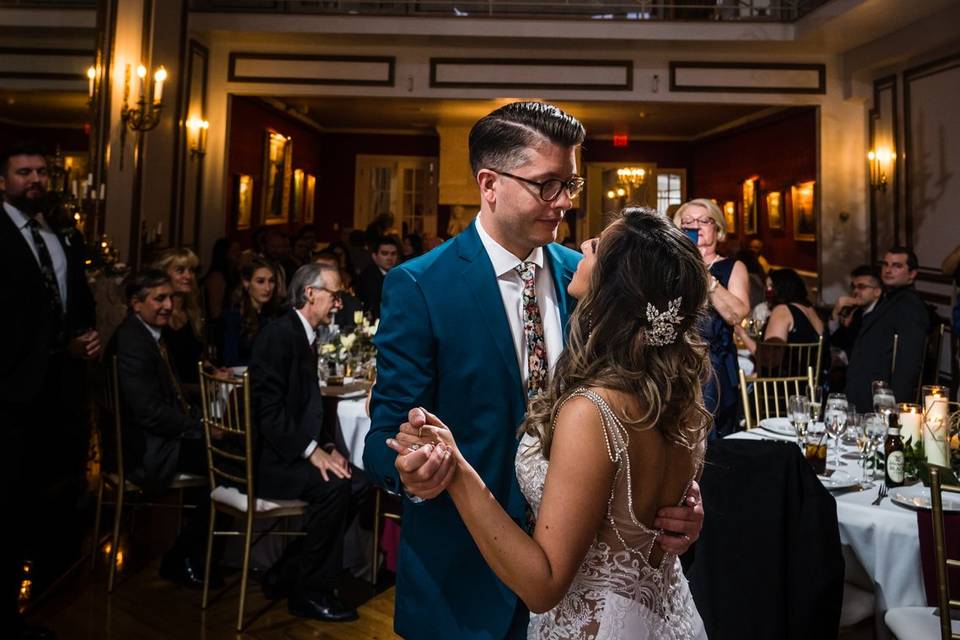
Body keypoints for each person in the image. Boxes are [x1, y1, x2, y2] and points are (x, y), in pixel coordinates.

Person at [363, 102, 703, 640]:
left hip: (583, 586)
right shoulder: (420, 285)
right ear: (489, 183)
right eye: (547, 185)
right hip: (465, 578)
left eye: (570, 184)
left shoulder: (591, 280)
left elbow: (638, 415)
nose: (565, 202)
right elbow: (384, 433)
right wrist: (411, 468)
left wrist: (672, 505)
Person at [2, 141, 100, 640]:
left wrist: (85, 334)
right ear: (4, 179)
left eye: (41, 171)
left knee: (48, 500)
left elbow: (72, 302)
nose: (35, 180)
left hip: (58, 394)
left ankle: (34, 606)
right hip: (10, 395)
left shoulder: (59, 233)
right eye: (24, 172)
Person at [248, 263, 357, 622]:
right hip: (270, 462)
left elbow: (306, 409)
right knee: (336, 489)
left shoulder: (303, 334)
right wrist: (312, 452)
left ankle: (289, 570)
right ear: (310, 294)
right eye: (334, 295)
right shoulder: (280, 335)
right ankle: (310, 593)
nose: (338, 304)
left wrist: (327, 447)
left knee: (359, 481)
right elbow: (269, 413)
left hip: (291, 453)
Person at [105, 269, 217, 588]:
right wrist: (201, 426)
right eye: (160, 299)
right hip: (144, 450)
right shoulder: (133, 341)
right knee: (227, 463)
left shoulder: (147, 333)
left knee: (224, 452)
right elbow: (148, 412)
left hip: (154, 439)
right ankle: (182, 556)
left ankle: (199, 553)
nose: (169, 305)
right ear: (136, 304)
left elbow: (165, 396)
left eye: (172, 297)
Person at [674, 199, 749, 437]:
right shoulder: (672, 266)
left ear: (717, 227)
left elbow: (736, 314)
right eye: (688, 222)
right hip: (675, 363)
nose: (695, 227)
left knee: (710, 438)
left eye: (703, 221)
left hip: (713, 368)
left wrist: (707, 280)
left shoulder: (731, 268)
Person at [846, 246, 931, 411]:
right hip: (865, 393)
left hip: (880, 400)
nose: (888, 270)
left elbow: (909, 362)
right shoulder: (891, 299)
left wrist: (894, 409)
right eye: (886, 264)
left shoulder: (910, 306)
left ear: (912, 274)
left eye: (897, 266)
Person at [737, 268, 827, 376]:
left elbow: (769, 359)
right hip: (810, 382)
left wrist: (741, 332)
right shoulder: (811, 310)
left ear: (782, 287)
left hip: (782, 385)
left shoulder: (782, 311)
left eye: (771, 286)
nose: (768, 290)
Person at [151, 248, 205, 387]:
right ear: (163, 274)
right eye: (180, 271)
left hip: (194, 394)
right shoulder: (154, 315)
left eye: (191, 270)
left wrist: (215, 372)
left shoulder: (192, 313)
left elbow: (195, 359)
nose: (188, 276)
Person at [221, 256, 282, 367]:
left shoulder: (274, 313)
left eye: (271, 281)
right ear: (246, 282)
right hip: (242, 379)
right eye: (260, 281)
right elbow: (231, 361)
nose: (268, 288)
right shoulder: (233, 317)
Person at [829, 264, 882, 359]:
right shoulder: (857, 312)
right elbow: (837, 341)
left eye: (861, 287)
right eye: (854, 287)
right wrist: (836, 312)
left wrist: (842, 357)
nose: (855, 291)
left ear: (877, 292)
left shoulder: (883, 314)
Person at [201, 237, 241, 359]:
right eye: (234, 251)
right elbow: (215, 311)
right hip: (221, 329)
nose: (239, 254)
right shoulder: (216, 276)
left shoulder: (233, 274)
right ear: (224, 253)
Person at [355, 236, 400, 319]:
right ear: (374, 256)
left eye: (393, 254)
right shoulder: (367, 277)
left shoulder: (400, 275)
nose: (389, 258)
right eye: (384, 253)